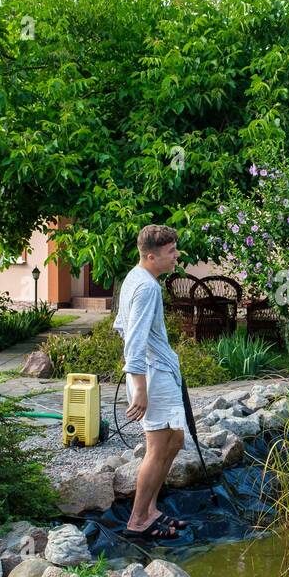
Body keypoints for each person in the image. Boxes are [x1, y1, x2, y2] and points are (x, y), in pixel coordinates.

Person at [114, 224, 191, 540]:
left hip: (157, 372)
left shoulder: (136, 277)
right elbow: (133, 338)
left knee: (175, 441)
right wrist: (140, 386)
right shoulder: (147, 288)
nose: (176, 256)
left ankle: (151, 509)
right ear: (151, 256)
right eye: (171, 252)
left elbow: (120, 325)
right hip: (152, 377)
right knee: (158, 449)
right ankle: (138, 520)